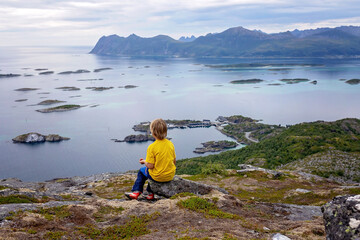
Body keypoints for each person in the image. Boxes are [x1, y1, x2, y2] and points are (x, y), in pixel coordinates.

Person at [125, 118, 176, 200]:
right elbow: (174, 161)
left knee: (143, 171)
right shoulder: (170, 144)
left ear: (153, 132)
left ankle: (136, 191)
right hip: (170, 175)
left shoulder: (152, 147)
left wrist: (144, 161)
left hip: (157, 176)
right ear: (165, 131)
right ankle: (149, 193)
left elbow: (150, 166)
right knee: (152, 172)